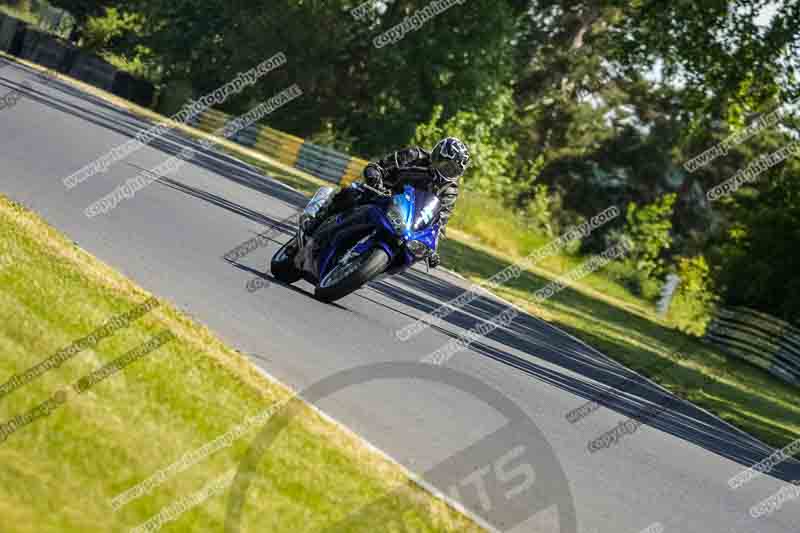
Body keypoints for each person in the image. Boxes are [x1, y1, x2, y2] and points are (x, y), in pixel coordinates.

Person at [304, 137, 470, 268]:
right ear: (437, 155)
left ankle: (360, 267)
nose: (447, 171)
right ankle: (313, 225)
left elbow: (439, 223)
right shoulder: (414, 155)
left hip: (406, 221)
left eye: (453, 170)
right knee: (351, 193)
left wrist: (432, 249)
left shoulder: (449, 190)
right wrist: (375, 177)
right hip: (382, 195)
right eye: (446, 165)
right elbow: (378, 167)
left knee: (409, 251)